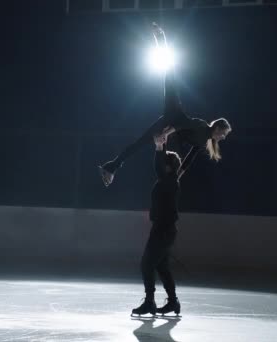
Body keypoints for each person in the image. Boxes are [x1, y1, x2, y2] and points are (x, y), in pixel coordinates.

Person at [99, 23, 231, 187]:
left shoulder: (203, 141)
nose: (224, 137)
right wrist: (167, 132)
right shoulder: (203, 127)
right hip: (174, 113)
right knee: (170, 75)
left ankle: (110, 168)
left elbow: (189, 159)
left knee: (142, 144)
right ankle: (161, 38)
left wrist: (178, 176)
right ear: (217, 128)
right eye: (224, 133)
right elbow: (184, 123)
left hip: (170, 123)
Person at [131, 133, 192, 316]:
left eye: (163, 163)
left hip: (163, 230)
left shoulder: (169, 181)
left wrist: (159, 147)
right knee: (161, 266)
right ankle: (173, 302)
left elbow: (158, 164)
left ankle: (150, 302)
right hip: (164, 229)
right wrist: (163, 145)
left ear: (167, 166)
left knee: (146, 264)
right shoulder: (171, 180)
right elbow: (170, 164)